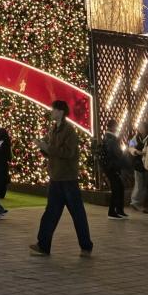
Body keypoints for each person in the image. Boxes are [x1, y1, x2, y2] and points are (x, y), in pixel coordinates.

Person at [29, 100, 93, 257]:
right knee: (50, 213)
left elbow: (69, 153)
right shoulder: (53, 129)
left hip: (68, 179)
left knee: (77, 214)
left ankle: (86, 246)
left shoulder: (69, 130)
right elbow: (50, 150)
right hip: (56, 178)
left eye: (54, 109)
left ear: (61, 112)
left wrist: (48, 148)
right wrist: (42, 146)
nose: (52, 112)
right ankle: (43, 245)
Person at [99, 119, 128, 219]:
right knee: (117, 188)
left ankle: (118, 210)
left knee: (119, 187)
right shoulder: (111, 139)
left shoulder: (107, 137)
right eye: (116, 126)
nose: (117, 128)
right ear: (113, 127)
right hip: (112, 167)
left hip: (110, 166)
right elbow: (116, 153)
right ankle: (113, 211)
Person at [128, 122, 148, 211]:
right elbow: (130, 146)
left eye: (142, 127)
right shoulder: (135, 137)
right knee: (139, 184)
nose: (140, 129)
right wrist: (135, 151)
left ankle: (147, 202)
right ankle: (134, 202)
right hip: (138, 163)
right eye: (139, 127)